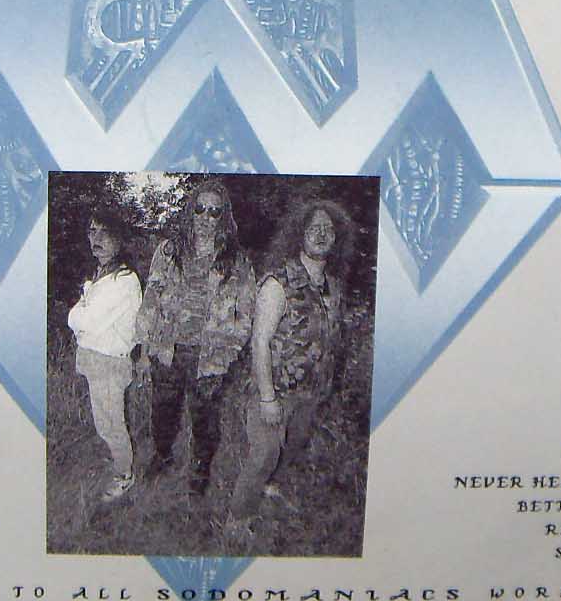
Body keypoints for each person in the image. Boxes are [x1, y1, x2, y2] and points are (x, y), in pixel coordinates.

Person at [229, 197, 354, 522]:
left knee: (291, 447)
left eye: (328, 229)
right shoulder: (278, 283)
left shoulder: (334, 287)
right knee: (264, 455)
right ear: (299, 234)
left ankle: (270, 490)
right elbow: (260, 341)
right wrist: (267, 398)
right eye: (314, 228)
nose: (321, 234)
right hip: (275, 391)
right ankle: (237, 520)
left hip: (312, 393)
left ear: (337, 238)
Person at [135, 179, 255, 499]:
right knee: (162, 411)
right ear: (191, 211)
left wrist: (226, 356)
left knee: (205, 420)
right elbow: (151, 300)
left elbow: (245, 315)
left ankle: (200, 471)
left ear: (223, 217)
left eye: (214, 211)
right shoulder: (168, 251)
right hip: (168, 351)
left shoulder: (236, 261)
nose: (205, 217)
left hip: (209, 358)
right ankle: (163, 456)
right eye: (200, 209)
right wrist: (145, 350)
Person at [67, 210, 143, 500]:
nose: (96, 239)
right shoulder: (100, 275)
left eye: (104, 232)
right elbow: (85, 318)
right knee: (104, 422)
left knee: (111, 424)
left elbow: (83, 321)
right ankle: (117, 461)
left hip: (110, 362)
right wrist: (83, 311)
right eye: (92, 231)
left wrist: (78, 313)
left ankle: (124, 475)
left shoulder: (124, 280)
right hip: (94, 358)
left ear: (119, 239)